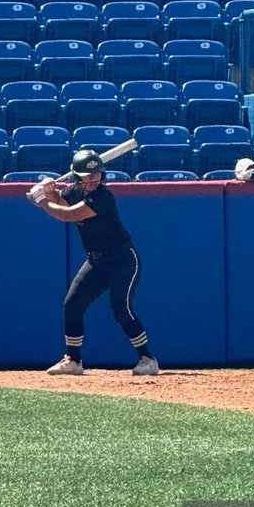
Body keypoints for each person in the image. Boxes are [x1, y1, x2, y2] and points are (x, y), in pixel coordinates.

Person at [30, 149, 159, 376]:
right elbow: (60, 201)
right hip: (96, 260)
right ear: (77, 176)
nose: (93, 178)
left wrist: (42, 202)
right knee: (72, 305)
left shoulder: (103, 196)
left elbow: (68, 215)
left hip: (122, 259)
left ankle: (148, 359)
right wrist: (47, 190)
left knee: (121, 308)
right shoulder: (75, 190)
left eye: (97, 173)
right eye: (88, 175)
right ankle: (73, 361)